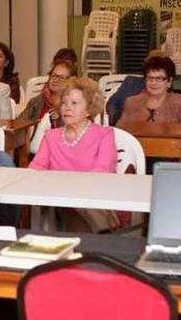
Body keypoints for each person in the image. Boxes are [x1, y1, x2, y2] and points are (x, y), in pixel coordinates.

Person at [29, 77, 119, 232]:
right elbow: (36, 167)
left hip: (92, 197)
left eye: (74, 103)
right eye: (64, 102)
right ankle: (102, 232)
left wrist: (71, 190)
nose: (67, 108)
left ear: (89, 109)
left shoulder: (104, 134)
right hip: (57, 200)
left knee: (80, 204)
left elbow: (103, 171)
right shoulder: (51, 136)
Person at [117, 55, 181, 127]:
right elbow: (119, 131)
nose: (153, 83)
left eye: (159, 79)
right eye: (150, 78)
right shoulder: (131, 102)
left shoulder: (180, 102)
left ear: (169, 81)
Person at [17, 58, 76, 133]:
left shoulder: (74, 105)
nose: (56, 80)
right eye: (54, 76)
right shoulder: (37, 101)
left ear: (71, 81)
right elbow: (18, 125)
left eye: (61, 78)